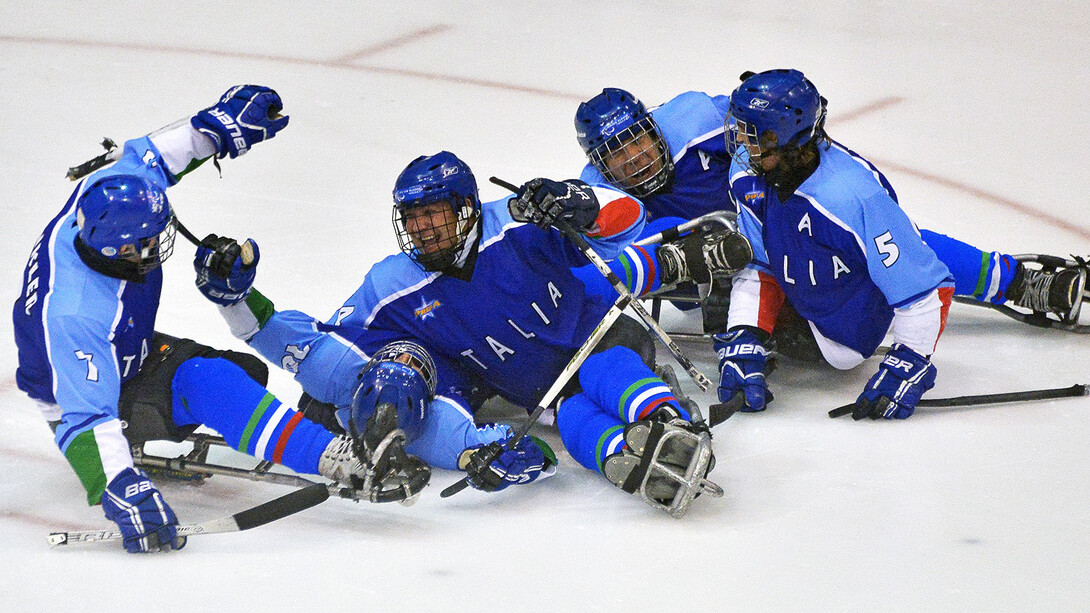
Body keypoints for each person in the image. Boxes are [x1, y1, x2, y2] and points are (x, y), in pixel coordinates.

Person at [207, 151, 744, 515]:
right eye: (410, 217)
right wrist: (330, 394)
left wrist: (575, 200)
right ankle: (625, 457)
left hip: (602, 334)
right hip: (546, 396)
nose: (420, 228)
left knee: (605, 366)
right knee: (574, 418)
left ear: (466, 208)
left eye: (432, 214)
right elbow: (337, 347)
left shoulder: (518, 219)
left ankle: (665, 420)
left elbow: (628, 217)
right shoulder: (390, 285)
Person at [11, 85, 415, 555]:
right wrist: (120, 489)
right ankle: (331, 456)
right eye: (147, 242)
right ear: (118, 250)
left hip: (121, 349)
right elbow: (84, 419)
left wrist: (216, 127)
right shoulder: (76, 316)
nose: (158, 244)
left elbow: (152, 156)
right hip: (75, 393)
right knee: (212, 380)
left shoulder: (103, 196)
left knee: (242, 372)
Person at [574, 85, 1087, 348]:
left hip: (773, 212)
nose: (634, 159)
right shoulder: (597, 194)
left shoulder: (696, 118)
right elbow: (630, 256)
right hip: (723, 263)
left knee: (877, 238)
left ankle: (1013, 280)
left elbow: (771, 126)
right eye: (616, 155)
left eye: (636, 140)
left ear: (651, 124)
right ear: (599, 164)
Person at [710, 69, 960, 419]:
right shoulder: (748, 172)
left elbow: (925, 288)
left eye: (752, 134)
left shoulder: (853, 196)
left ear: (782, 136)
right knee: (716, 270)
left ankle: (1010, 279)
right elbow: (760, 265)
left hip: (845, 334)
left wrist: (910, 360)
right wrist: (746, 335)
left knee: (912, 252)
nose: (741, 143)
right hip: (807, 295)